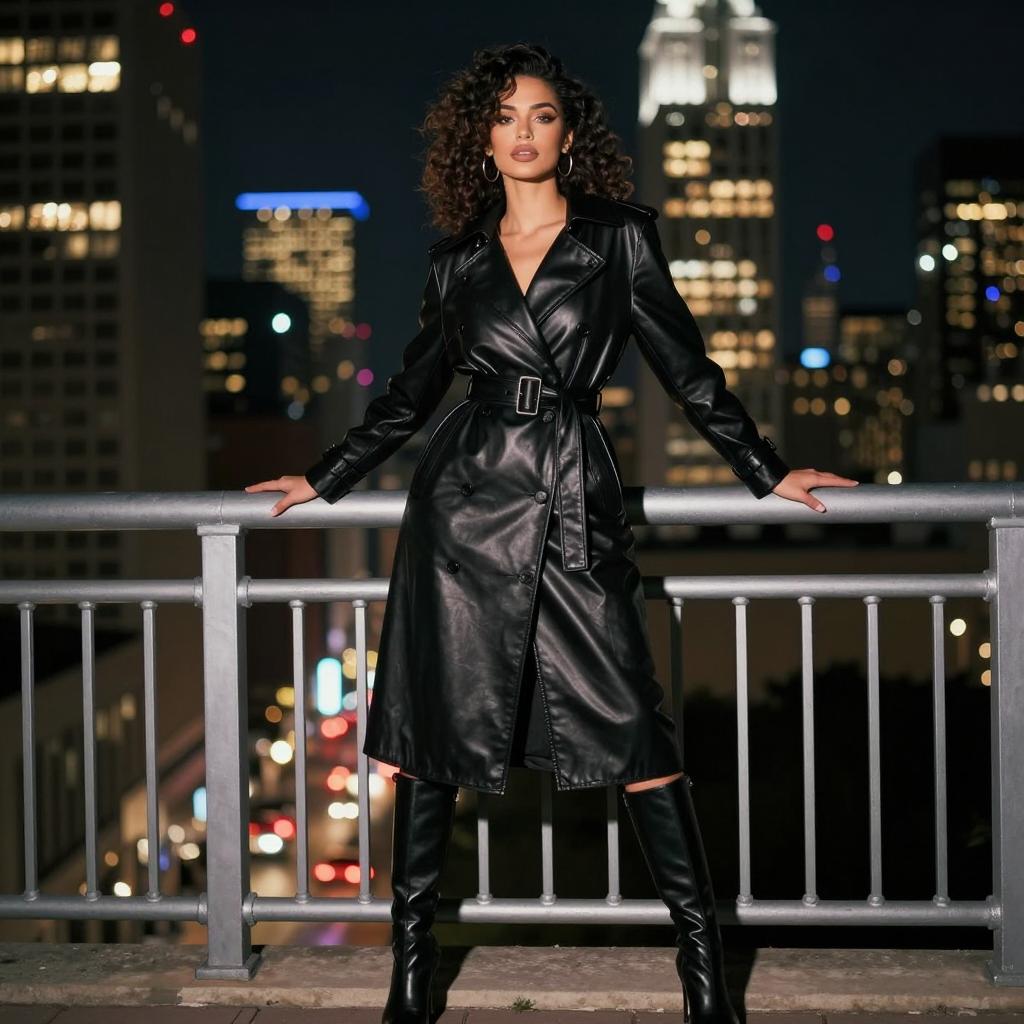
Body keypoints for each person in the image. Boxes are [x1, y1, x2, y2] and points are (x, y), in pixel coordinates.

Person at [245, 42, 858, 1024]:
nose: (523, 132)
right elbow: (409, 393)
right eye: (504, 117)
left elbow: (688, 370)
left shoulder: (619, 239)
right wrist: (323, 477)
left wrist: (766, 468)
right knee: (434, 743)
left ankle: (706, 980)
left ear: (568, 135)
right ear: (481, 141)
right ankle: (411, 981)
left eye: (540, 115)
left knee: (637, 732)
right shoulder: (456, 260)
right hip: (461, 510)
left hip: (573, 500)